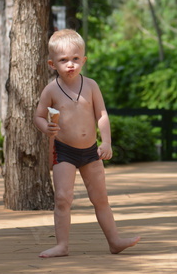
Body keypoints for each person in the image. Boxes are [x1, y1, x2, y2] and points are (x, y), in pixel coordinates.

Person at [33, 29, 140, 258]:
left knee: (100, 198)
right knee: (63, 198)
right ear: (52, 64)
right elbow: (38, 116)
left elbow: (102, 114)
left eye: (75, 59)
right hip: (64, 152)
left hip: (91, 152)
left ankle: (114, 241)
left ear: (83, 60)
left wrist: (107, 142)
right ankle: (62, 245)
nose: (70, 64)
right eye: (63, 60)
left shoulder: (91, 86)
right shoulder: (51, 89)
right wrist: (45, 127)